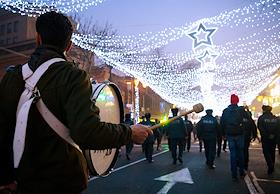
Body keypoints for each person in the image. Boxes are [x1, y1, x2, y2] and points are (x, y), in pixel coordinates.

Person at [0, 11, 152, 194]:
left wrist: (5, 177)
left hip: (21, 181)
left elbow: (2, 131)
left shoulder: (11, 77)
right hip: (61, 182)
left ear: (38, 39)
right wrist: (129, 132)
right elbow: (87, 132)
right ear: (69, 45)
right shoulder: (73, 76)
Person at [220, 94, 249, 181]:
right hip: (240, 133)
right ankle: (241, 171)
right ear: (237, 101)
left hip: (230, 134)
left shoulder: (226, 110)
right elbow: (248, 119)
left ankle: (234, 174)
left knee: (233, 154)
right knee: (240, 153)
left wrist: (223, 134)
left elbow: (222, 123)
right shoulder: (241, 110)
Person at [257, 105, 279, 175]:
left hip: (265, 138)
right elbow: (278, 128)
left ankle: (270, 164)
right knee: (272, 152)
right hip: (274, 138)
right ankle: (271, 165)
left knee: (266, 152)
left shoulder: (261, 118)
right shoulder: (275, 118)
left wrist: (266, 135)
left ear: (264, 110)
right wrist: (273, 134)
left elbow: (260, 128)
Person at [243, 106, 257, 171]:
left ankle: (239, 163)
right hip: (247, 136)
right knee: (245, 150)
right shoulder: (250, 119)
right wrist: (254, 136)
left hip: (240, 136)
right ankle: (245, 164)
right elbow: (254, 128)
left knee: (239, 150)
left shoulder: (239, 118)